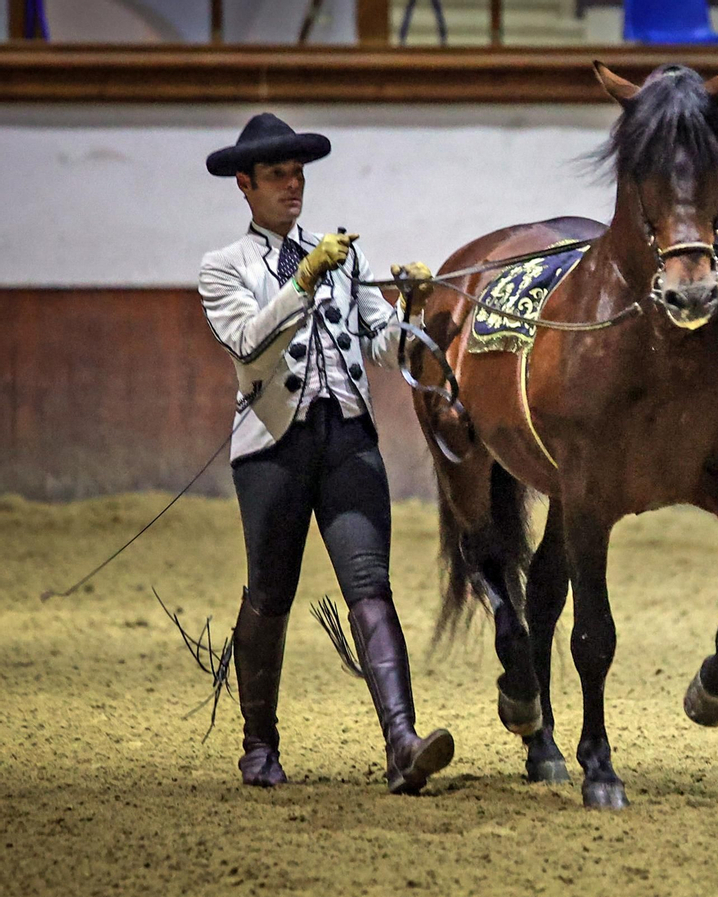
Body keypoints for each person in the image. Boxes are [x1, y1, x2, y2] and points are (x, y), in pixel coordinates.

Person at [199, 112, 452, 794]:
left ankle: (402, 741)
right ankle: (258, 743)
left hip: (347, 437)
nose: (293, 185)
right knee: (270, 593)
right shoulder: (224, 268)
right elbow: (248, 341)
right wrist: (304, 280)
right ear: (246, 187)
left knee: (370, 583)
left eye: (298, 173)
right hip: (271, 449)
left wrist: (414, 309)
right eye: (278, 175)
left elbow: (385, 348)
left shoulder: (347, 258)